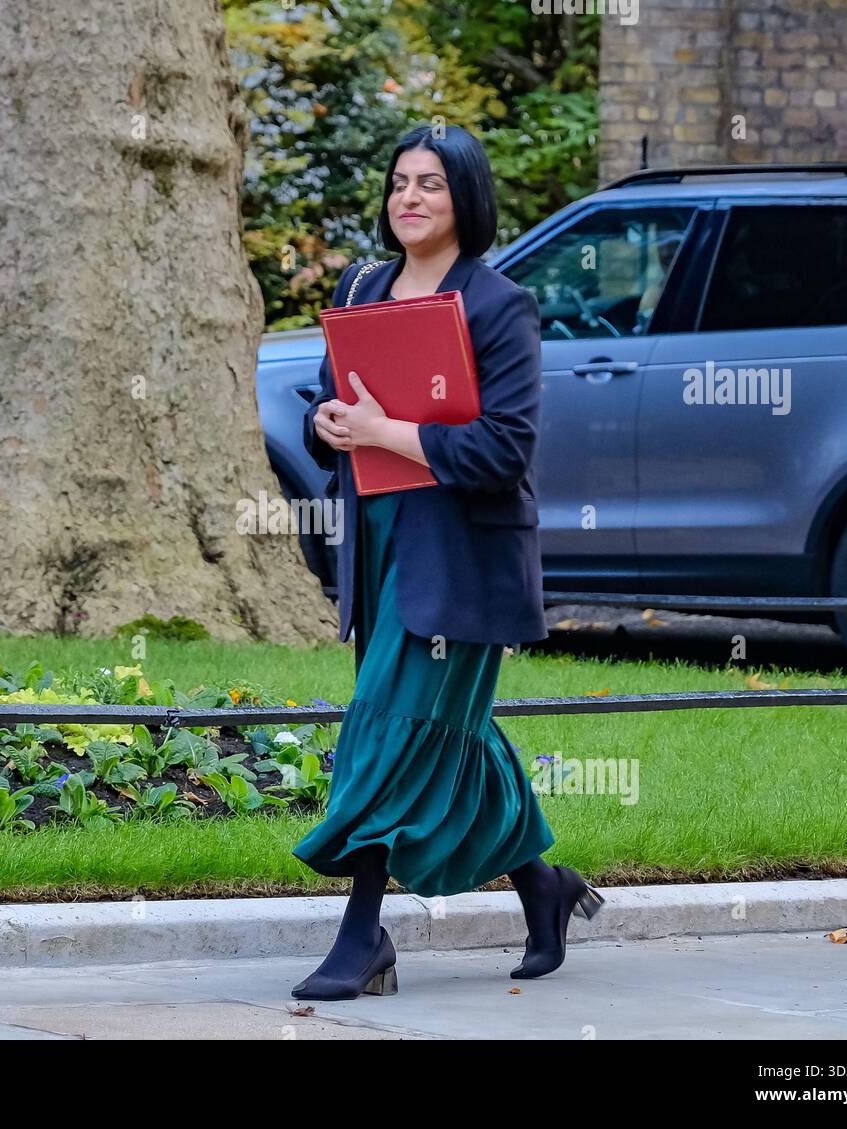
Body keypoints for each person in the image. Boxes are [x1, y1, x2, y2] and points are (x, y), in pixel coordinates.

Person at [290, 124, 604, 1002]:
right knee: (443, 734)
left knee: (389, 724)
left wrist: (388, 431)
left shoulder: (501, 305)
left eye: (430, 183)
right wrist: (329, 423)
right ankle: (544, 884)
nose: (410, 198)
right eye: (398, 183)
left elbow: (505, 450)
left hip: (461, 558)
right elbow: (333, 398)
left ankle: (362, 935)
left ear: (466, 198)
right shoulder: (364, 285)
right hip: (382, 542)